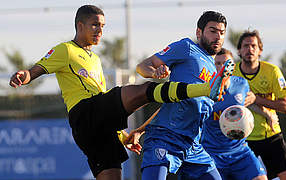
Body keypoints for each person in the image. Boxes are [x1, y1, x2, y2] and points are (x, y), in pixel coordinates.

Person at [8, 5, 228, 180]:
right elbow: (38, 68)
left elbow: (107, 106)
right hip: (86, 112)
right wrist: (25, 75)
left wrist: (123, 135)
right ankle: (207, 89)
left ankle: (201, 90)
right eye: (94, 25)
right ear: (80, 25)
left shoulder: (94, 59)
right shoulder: (66, 49)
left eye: (102, 26)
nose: (100, 31)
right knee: (145, 90)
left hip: (96, 129)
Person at [132, 11, 234, 180]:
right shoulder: (186, 48)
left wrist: (140, 130)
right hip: (165, 137)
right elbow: (142, 66)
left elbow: (176, 105)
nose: (218, 36)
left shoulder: (213, 70)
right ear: (199, 32)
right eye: (213, 31)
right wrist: (155, 73)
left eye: (222, 33)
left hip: (193, 146)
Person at [233, 30, 286, 180]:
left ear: (260, 50)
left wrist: (257, 99)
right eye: (246, 45)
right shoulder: (232, 73)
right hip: (243, 138)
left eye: (254, 46)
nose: (250, 49)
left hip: (271, 136)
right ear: (239, 50)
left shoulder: (272, 71)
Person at [201, 48, 268, 180]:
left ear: (233, 66)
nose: (222, 67)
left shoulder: (241, 84)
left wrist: (267, 114)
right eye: (217, 63)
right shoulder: (203, 89)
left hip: (240, 152)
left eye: (226, 63)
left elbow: (248, 103)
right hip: (212, 154)